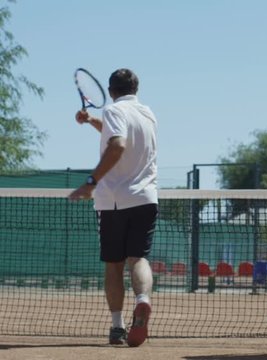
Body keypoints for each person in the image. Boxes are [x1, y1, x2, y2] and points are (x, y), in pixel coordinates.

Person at [69, 68, 158, 347]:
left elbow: (118, 144)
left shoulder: (113, 111)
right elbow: (119, 136)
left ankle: (117, 327)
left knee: (114, 265)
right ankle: (142, 301)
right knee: (139, 259)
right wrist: (93, 121)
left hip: (114, 201)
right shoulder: (147, 114)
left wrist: (90, 182)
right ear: (136, 89)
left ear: (110, 91)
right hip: (146, 198)